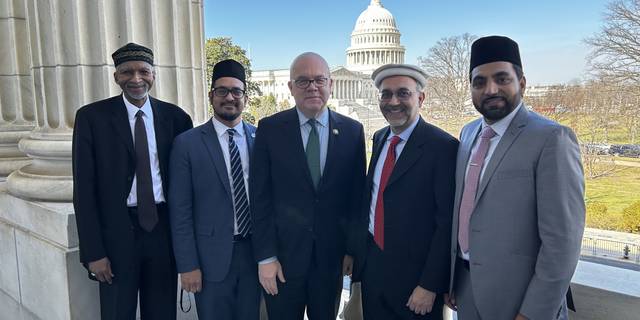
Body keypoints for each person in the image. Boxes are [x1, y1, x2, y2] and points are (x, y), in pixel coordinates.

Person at [445, 36, 585, 320]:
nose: (490, 89)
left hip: (521, 300)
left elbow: (562, 242)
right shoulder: (469, 133)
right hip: (467, 291)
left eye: (501, 79)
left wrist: (533, 313)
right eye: (479, 82)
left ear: (521, 83)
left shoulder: (551, 138)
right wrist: (452, 280)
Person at [72, 42, 193, 319]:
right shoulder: (91, 118)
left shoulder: (177, 118)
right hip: (115, 239)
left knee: (162, 313)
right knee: (117, 313)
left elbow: (188, 187)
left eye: (143, 71)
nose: (136, 79)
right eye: (127, 72)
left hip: (163, 234)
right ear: (116, 77)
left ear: (153, 75)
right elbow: (84, 192)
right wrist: (94, 252)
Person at [250, 52, 366, 319]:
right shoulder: (270, 129)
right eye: (303, 81)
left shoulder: (352, 131)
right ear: (291, 87)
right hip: (282, 261)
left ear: (330, 84)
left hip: (331, 260)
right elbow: (260, 197)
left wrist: (351, 249)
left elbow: (355, 197)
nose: (312, 87)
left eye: (319, 80)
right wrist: (265, 257)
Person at [351, 64, 458, 320]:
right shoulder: (379, 138)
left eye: (403, 93)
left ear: (420, 98)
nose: (393, 101)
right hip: (374, 271)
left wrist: (430, 284)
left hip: (416, 281)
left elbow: (446, 223)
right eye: (386, 94)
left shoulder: (442, 146)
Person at [168, 59, 260, 320]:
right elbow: (180, 211)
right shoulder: (186, 144)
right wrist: (188, 266)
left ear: (245, 97)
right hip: (210, 261)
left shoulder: (261, 139)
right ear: (211, 96)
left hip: (255, 255)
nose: (229, 97)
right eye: (222, 91)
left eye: (236, 91)